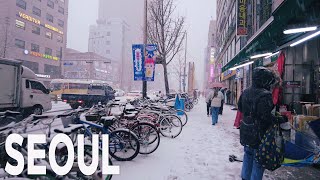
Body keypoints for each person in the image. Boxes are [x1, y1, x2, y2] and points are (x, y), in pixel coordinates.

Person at [238, 67, 287, 180]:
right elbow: (266, 117)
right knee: (258, 161)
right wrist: (280, 119)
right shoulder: (265, 95)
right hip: (258, 134)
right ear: (265, 80)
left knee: (248, 156)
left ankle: (245, 178)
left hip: (246, 130)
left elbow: (240, 107)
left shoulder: (246, 91)